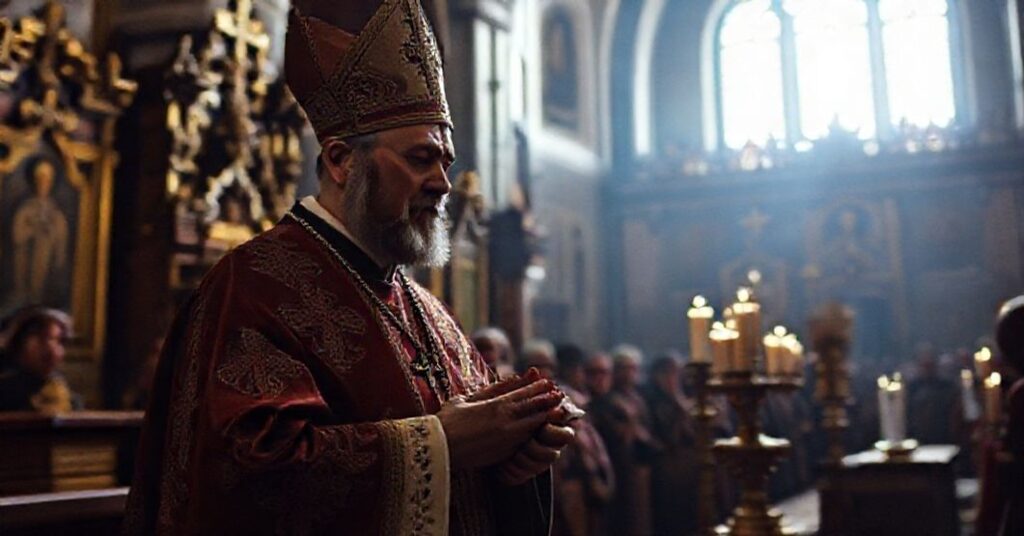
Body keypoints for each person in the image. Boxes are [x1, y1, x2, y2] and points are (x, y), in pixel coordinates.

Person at [124, 1, 574, 533]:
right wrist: (443, 444)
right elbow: (246, 479)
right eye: (419, 159)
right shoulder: (253, 287)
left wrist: (514, 455)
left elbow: (471, 477)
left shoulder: (429, 311)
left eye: (446, 162)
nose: (443, 183)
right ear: (341, 160)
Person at [589, 345, 660, 536]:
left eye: (632, 368)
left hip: (639, 468)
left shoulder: (637, 398)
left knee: (640, 520)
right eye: (624, 368)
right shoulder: (608, 401)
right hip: (618, 468)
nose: (629, 373)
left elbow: (646, 432)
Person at [552, 344, 614, 536]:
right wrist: (593, 476)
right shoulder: (567, 398)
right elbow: (579, 443)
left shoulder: (585, 399)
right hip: (573, 482)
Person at [644, 352, 699, 535]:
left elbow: (694, 433)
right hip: (666, 467)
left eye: (676, 373)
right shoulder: (650, 401)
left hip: (688, 467)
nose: (673, 379)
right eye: (668, 373)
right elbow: (668, 438)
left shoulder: (687, 397)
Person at [0, 307, 80, 412]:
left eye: (58, 340)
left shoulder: (63, 394)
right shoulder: (5, 391)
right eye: (43, 338)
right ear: (19, 343)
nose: (52, 349)